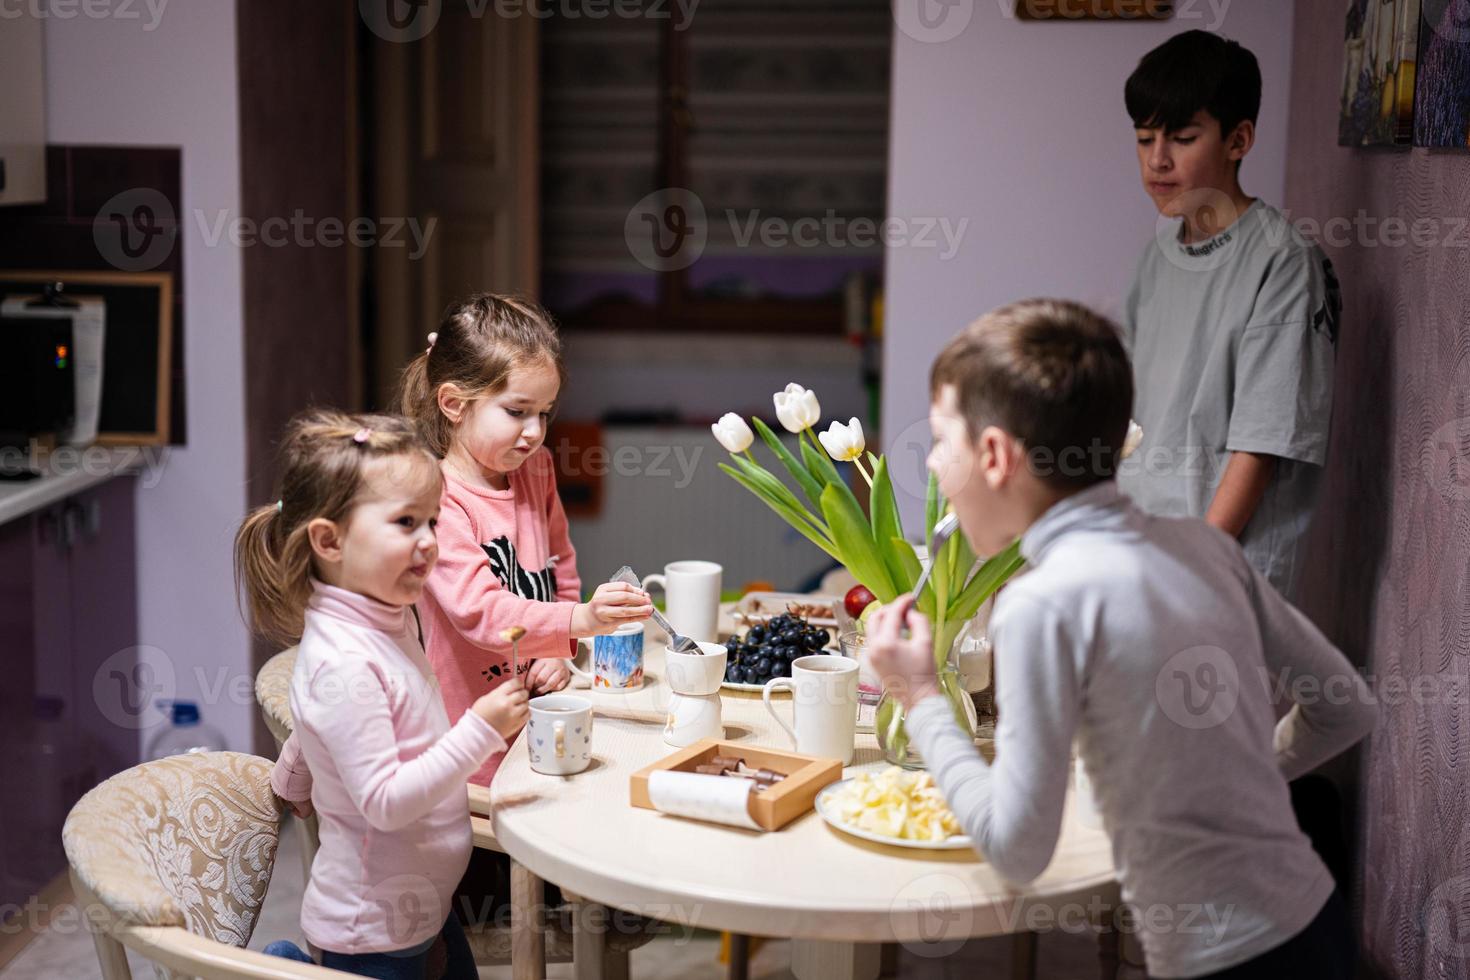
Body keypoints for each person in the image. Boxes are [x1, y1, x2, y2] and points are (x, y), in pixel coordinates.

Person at [868, 299, 1375, 979]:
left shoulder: (1041, 606)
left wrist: (921, 694)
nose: (930, 465)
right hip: (1318, 925)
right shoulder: (1205, 548)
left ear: (993, 455)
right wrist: (1237, 781)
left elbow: (1018, 852)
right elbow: (1346, 706)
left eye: (939, 439)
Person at [235, 409, 529, 978]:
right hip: (369, 932)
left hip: (424, 905)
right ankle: (291, 969)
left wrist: (294, 770)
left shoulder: (387, 616)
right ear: (330, 540)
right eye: (404, 523)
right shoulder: (342, 661)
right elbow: (385, 802)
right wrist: (482, 728)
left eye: (432, 521)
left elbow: (338, 726)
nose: (430, 543)